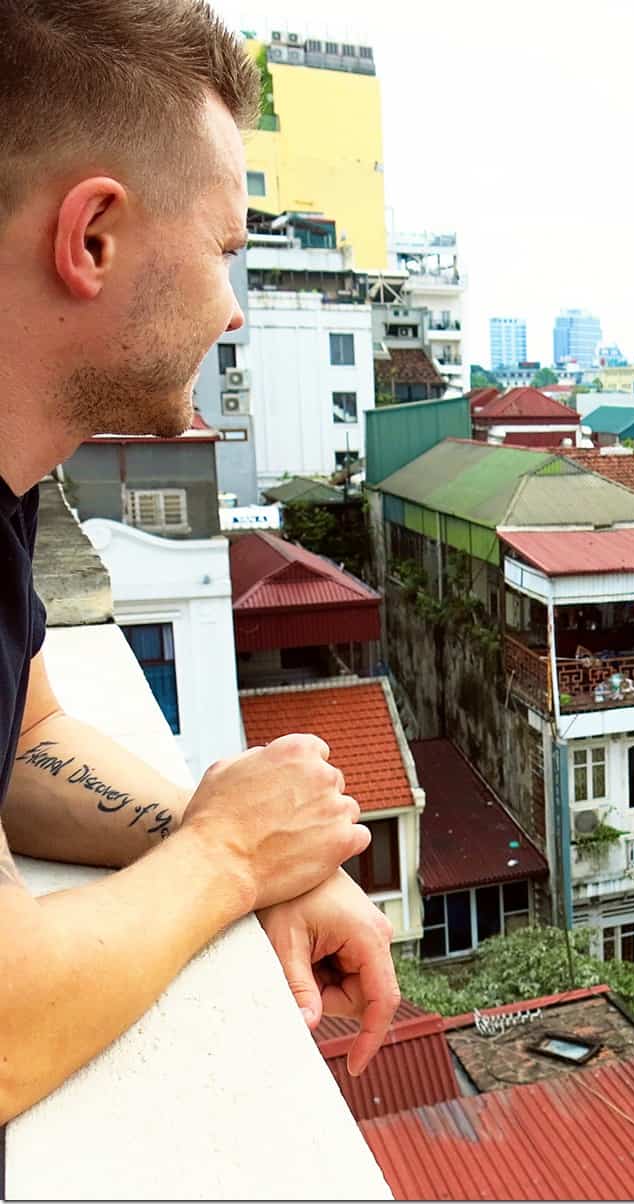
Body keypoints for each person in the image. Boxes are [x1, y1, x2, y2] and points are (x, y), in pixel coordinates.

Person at [0, 0, 400, 1122]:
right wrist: (225, 851)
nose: (233, 309)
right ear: (92, 239)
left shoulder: (14, 486)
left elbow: (25, 743)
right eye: (226, 250)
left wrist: (266, 852)